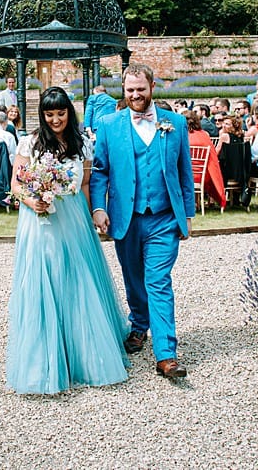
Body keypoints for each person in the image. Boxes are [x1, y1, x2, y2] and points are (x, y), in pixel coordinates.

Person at [7, 86, 129, 394]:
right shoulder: (30, 142)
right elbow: (16, 184)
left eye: (61, 113)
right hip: (41, 221)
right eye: (49, 114)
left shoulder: (82, 143)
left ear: (69, 113)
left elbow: (86, 184)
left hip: (74, 219)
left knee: (79, 280)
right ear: (42, 115)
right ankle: (46, 358)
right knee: (45, 280)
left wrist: (92, 215)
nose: (56, 120)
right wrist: (32, 201)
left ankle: (86, 354)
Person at [90, 62, 195, 380]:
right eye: (130, 90)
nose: (135, 95)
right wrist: (98, 208)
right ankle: (139, 325)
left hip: (164, 218)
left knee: (158, 281)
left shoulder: (176, 123)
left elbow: (184, 172)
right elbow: (100, 171)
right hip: (127, 217)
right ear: (123, 90)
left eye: (141, 89)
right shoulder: (108, 124)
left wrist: (188, 214)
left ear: (152, 88)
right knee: (133, 277)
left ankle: (166, 355)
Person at [186, 112, 225, 210]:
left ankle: (191, 203)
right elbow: (213, 156)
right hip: (203, 175)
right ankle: (197, 203)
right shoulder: (205, 135)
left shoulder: (183, 136)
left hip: (187, 175)